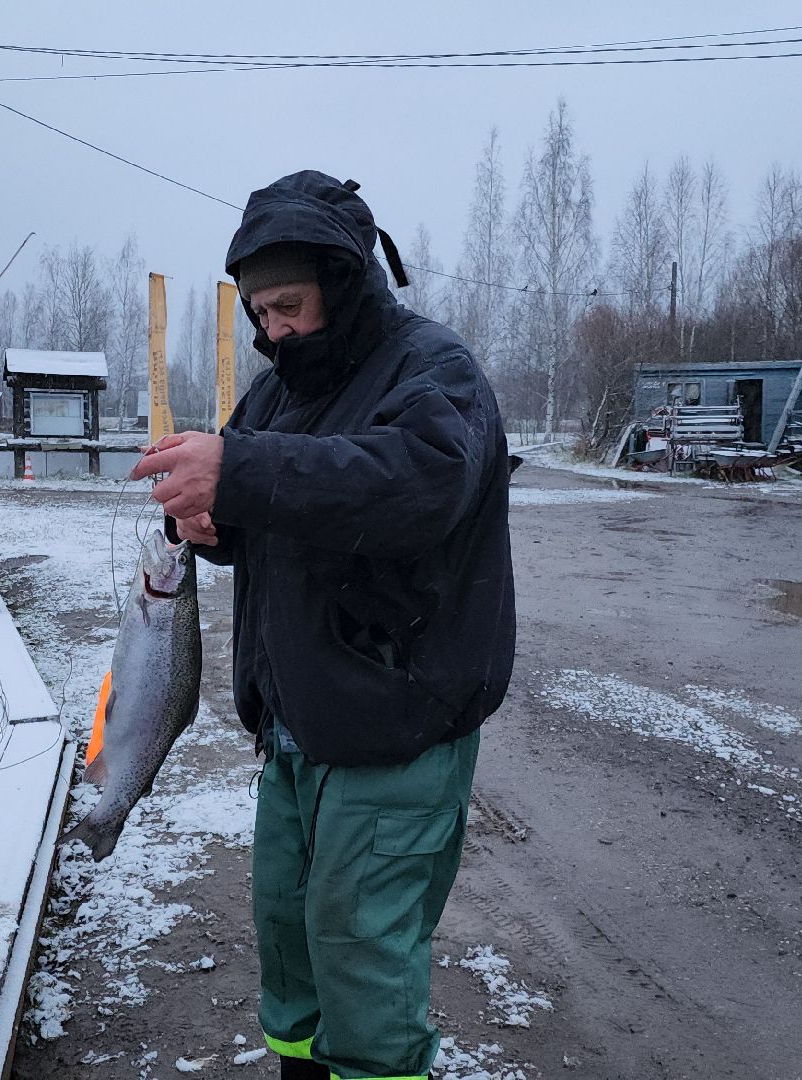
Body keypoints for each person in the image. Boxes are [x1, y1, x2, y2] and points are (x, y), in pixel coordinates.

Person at [130, 171, 515, 1080]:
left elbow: (416, 484)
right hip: (295, 726)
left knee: (361, 956)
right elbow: (271, 504)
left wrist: (242, 475)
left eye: (290, 307)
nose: (274, 331)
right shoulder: (275, 396)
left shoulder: (434, 371)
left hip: (396, 721)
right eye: (259, 313)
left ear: (342, 284)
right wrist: (212, 522)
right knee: (290, 941)